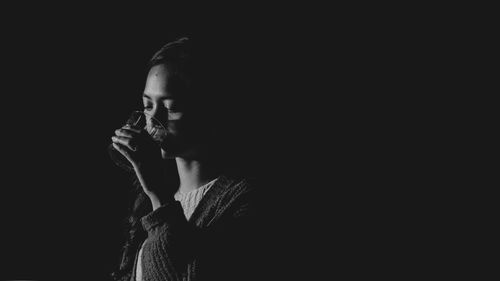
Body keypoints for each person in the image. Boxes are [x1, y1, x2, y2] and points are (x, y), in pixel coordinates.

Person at [109, 37, 265, 281]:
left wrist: (158, 196)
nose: (152, 120)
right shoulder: (152, 193)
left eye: (171, 108)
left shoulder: (243, 201)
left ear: (209, 112)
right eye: (147, 105)